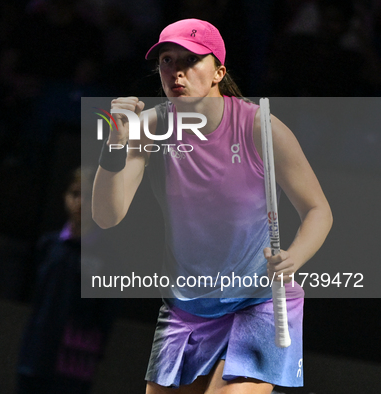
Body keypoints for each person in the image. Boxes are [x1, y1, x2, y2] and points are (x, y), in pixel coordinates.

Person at [91, 19, 332, 393]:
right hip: (187, 306)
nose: (176, 71)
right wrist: (115, 145)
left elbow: (318, 210)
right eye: (167, 60)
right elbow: (107, 216)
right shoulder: (150, 128)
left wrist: (294, 258)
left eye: (190, 60)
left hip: (259, 301)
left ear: (219, 71)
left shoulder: (260, 127)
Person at [17, 167, 118, 393]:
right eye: (75, 193)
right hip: (35, 355)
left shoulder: (107, 256)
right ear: (65, 197)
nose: (80, 202)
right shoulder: (49, 245)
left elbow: (106, 312)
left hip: (74, 359)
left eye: (90, 195)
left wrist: (93, 350)